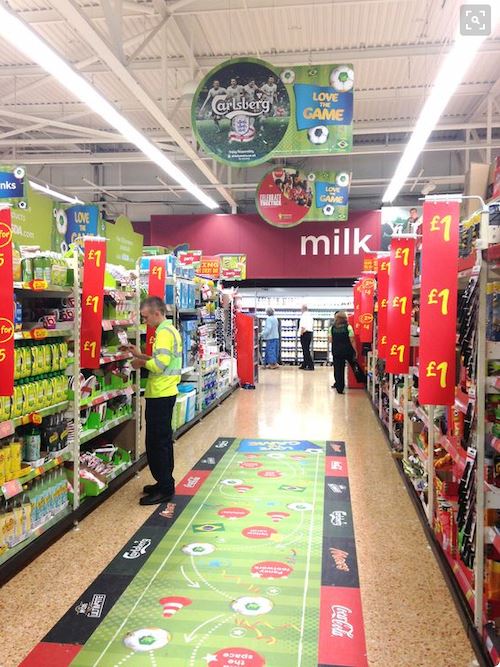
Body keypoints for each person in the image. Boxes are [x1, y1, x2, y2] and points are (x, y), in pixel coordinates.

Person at [126, 297, 182, 505]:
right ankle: (164, 482)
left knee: (157, 442)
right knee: (163, 441)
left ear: (156, 313)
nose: (145, 321)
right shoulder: (169, 330)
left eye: (145, 317)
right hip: (164, 392)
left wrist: (140, 362)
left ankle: (165, 488)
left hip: (161, 393)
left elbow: (159, 366)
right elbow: (162, 362)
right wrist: (141, 354)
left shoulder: (164, 334)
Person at [329, 311, 356, 394]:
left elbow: (330, 340)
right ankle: (361, 381)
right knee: (354, 365)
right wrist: (355, 351)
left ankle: (339, 388)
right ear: (345, 318)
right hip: (347, 350)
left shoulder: (332, 328)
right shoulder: (348, 327)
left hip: (336, 351)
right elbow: (352, 340)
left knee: (338, 369)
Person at [298, 304, 314, 370]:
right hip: (309, 333)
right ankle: (304, 364)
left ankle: (310, 366)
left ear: (303, 309)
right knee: (306, 349)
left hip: (305, 333)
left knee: (305, 350)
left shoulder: (304, 316)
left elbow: (303, 326)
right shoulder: (310, 315)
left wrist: (301, 333)